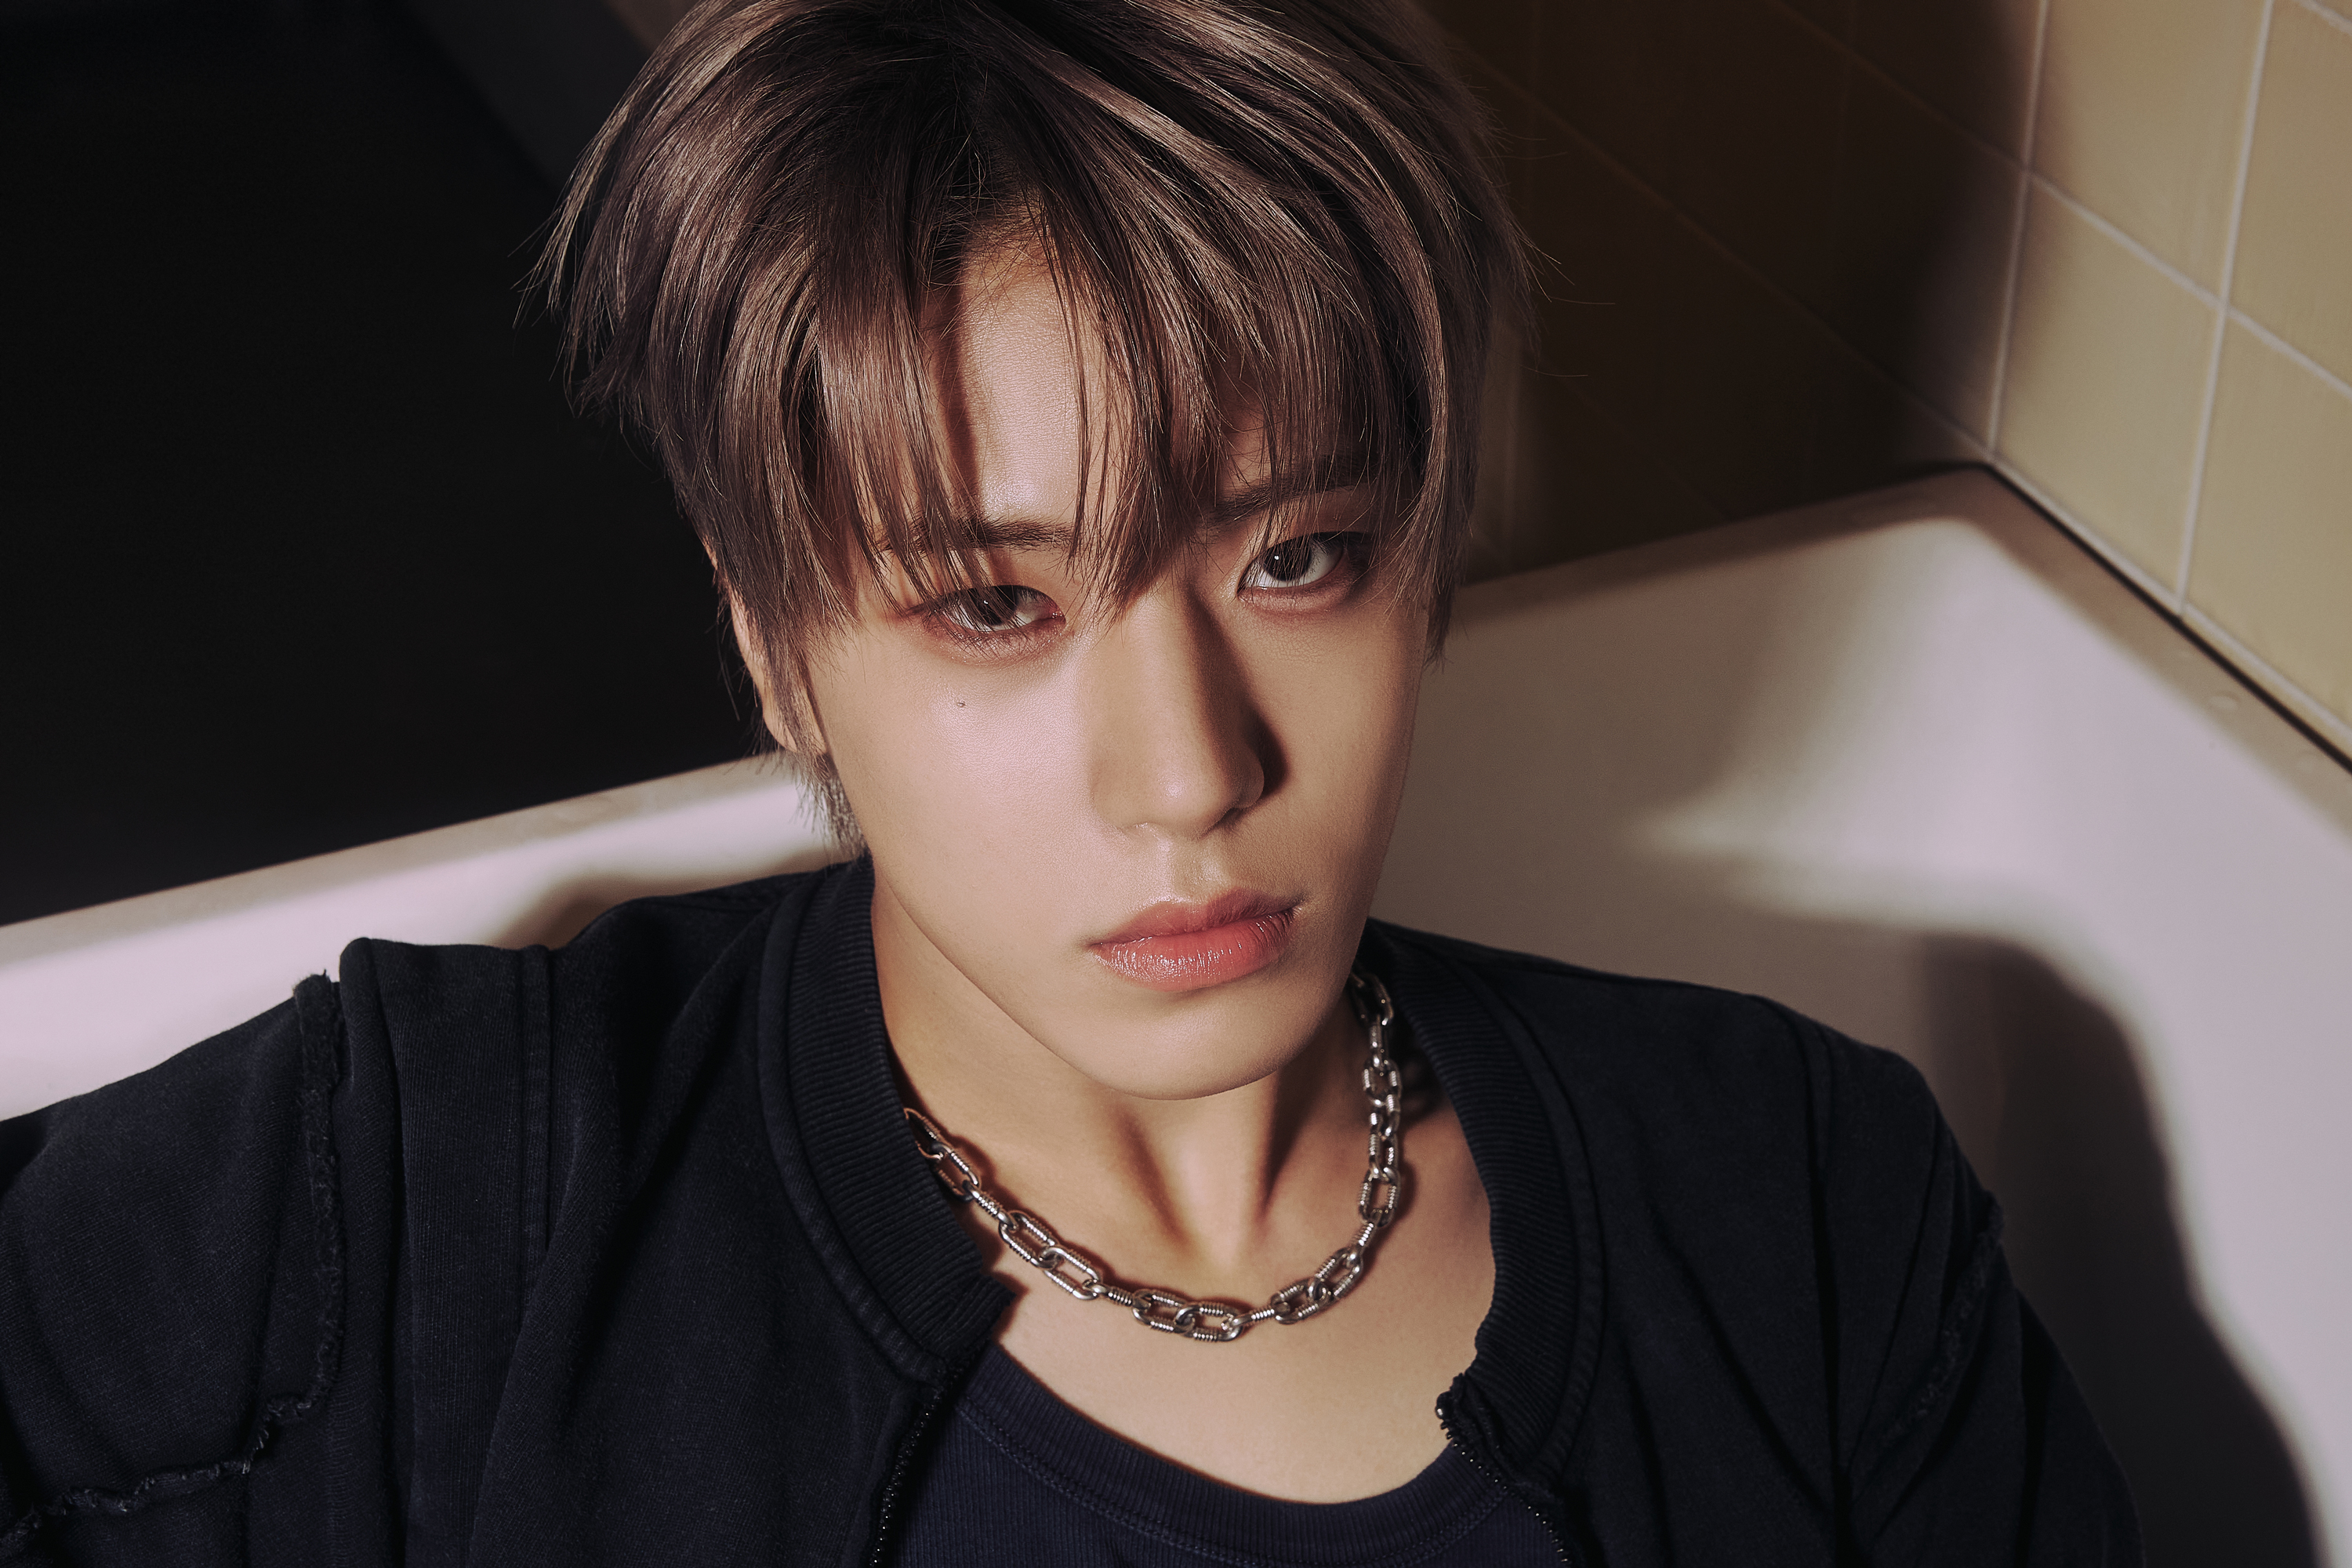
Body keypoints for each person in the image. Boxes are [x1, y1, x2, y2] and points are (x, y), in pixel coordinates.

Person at [0, 0, 2140, 1563]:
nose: (1192, 774)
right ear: (779, 645)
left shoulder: (1797, 1191)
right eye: (995, 605)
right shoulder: (451, 1178)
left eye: (1297, 559)